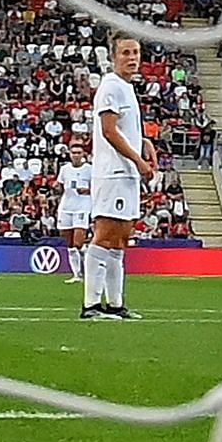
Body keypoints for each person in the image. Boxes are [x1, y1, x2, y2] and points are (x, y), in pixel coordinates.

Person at [83, 33, 150, 321]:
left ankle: (115, 303)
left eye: (135, 52)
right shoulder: (111, 86)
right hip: (114, 172)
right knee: (106, 235)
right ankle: (91, 305)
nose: (132, 58)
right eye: (125, 53)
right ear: (113, 57)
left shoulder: (125, 87)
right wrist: (138, 160)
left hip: (126, 173)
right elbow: (109, 130)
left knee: (122, 238)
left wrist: (145, 145)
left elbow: (126, 128)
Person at [55, 155, 96, 310]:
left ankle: (90, 262)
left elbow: (98, 186)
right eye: (74, 153)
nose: (76, 156)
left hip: (82, 207)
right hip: (66, 207)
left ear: (82, 156)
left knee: (78, 243)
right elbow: (59, 185)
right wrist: (56, 187)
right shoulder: (65, 169)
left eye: (79, 153)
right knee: (70, 243)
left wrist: (88, 190)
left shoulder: (89, 169)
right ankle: (77, 275)